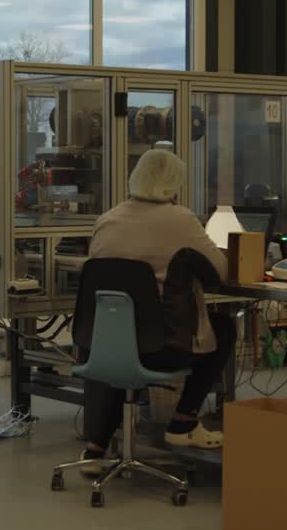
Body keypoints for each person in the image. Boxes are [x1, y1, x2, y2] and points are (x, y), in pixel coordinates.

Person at [78, 149, 234, 468]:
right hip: (161, 348)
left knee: (126, 336)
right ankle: (184, 422)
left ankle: (95, 446)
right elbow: (220, 272)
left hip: (102, 345)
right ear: (174, 183)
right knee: (225, 328)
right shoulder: (180, 220)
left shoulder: (107, 219)